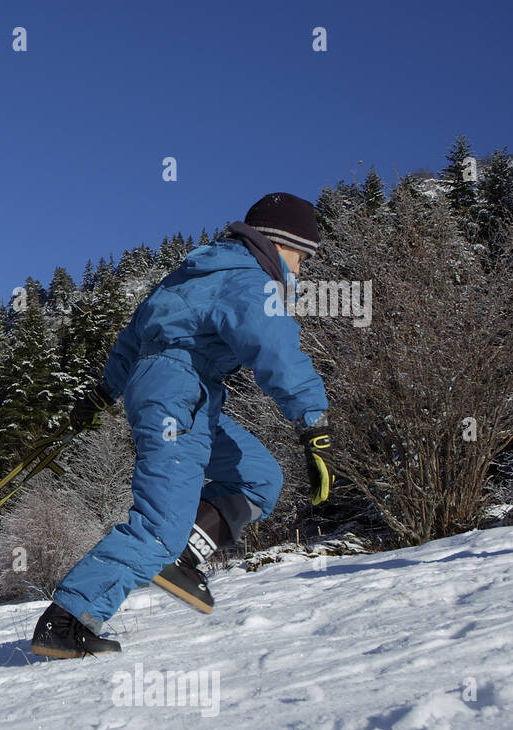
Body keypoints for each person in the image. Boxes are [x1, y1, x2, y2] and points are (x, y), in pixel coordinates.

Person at [32, 193, 337, 659]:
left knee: (260, 477)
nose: (301, 269)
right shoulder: (251, 282)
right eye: (303, 257)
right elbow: (278, 352)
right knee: (158, 527)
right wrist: (312, 424)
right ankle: (67, 619)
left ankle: (183, 556)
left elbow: (133, 337)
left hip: (180, 393)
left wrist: (102, 393)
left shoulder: (192, 274)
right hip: (180, 396)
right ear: (280, 244)